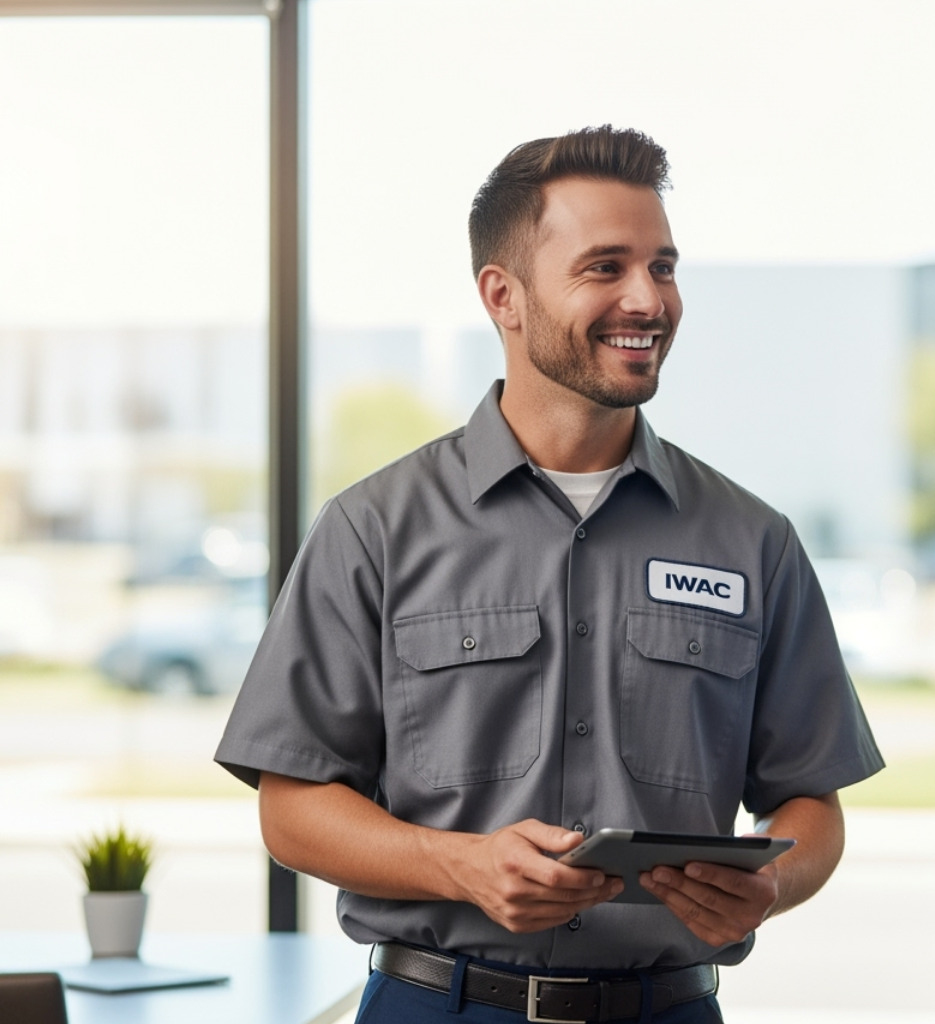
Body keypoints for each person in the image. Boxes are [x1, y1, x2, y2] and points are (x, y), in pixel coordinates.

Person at [215, 125, 883, 1024]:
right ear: (505, 297)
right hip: (437, 1005)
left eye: (663, 267)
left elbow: (811, 803)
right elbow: (291, 808)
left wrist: (772, 884)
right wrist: (460, 865)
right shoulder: (373, 529)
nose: (648, 299)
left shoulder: (752, 539)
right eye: (605, 268)